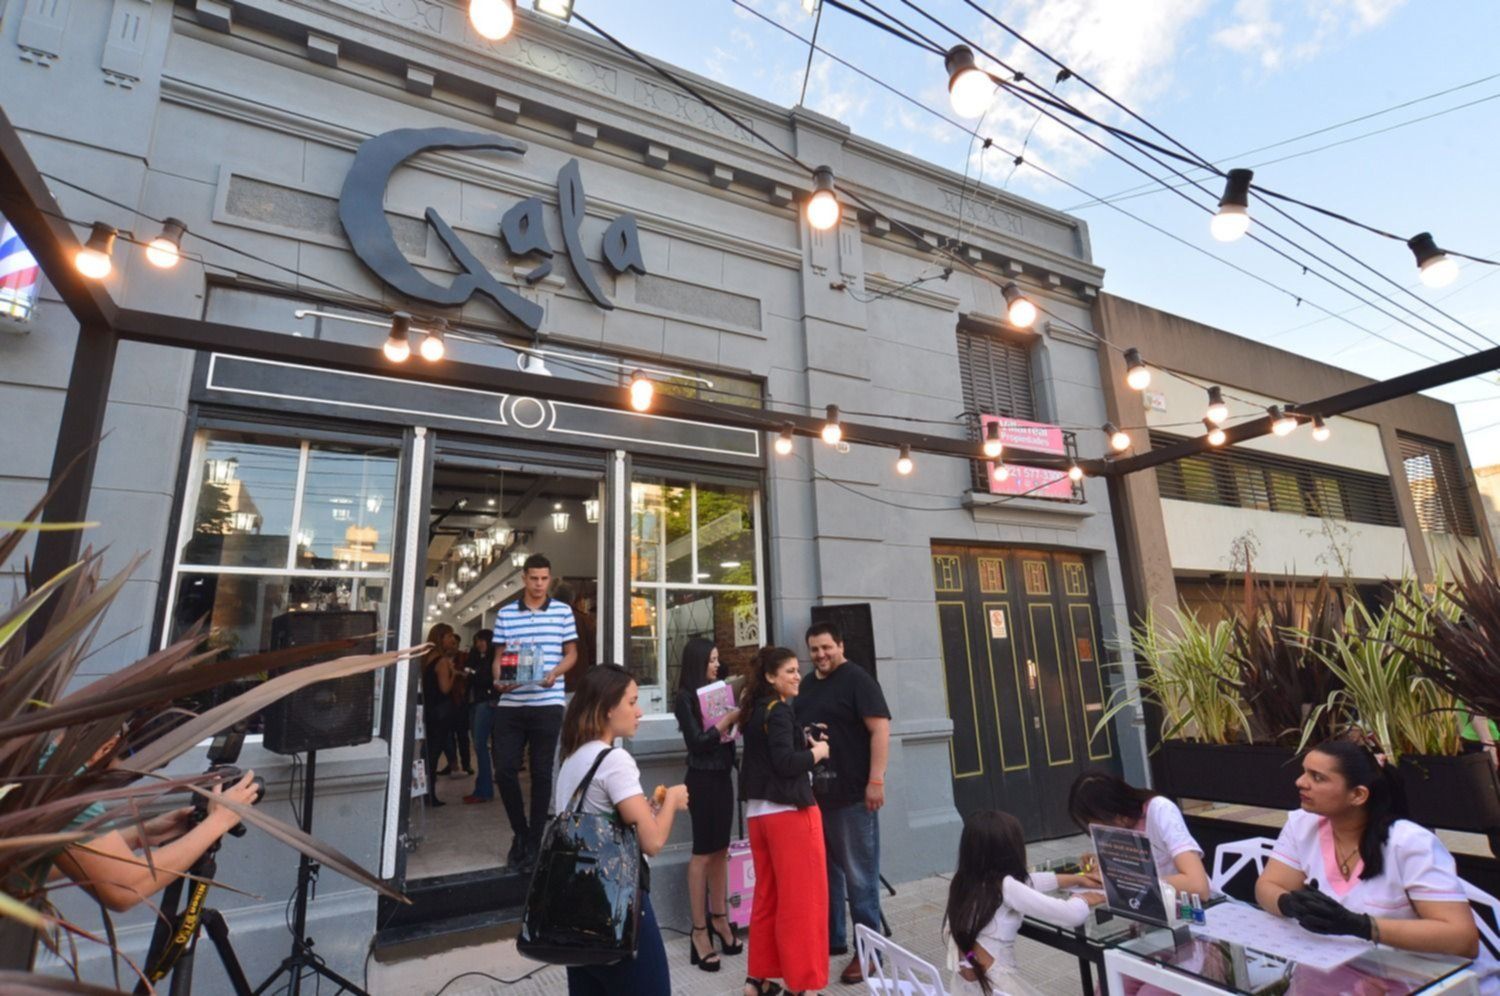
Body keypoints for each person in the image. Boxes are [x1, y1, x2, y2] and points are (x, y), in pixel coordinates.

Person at [1256, 739, 1494, 990]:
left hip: (1435, 981)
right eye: (1304, 772)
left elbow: (1462, 939)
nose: (1300, 782)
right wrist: (1289, 904)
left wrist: (1362, 926)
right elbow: (1268, 885)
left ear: (1358, 795)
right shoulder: (1303, 824)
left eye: (1317, 777)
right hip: (1348, 971)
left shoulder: (1409, 843)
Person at [552, 663, 688, 996]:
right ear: (607, 708)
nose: (639, 712)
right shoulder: (614, 760)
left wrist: (646, 811)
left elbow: (596, 820)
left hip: (577, 907)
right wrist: (672, 800)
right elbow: (652, 842)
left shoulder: (572, 759)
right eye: (632, 702)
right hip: (619, 905)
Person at [797, 620, 891, 985]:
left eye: (827, 647)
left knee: (860, 877)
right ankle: (834, 938)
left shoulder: (858, 680)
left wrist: (876, 780)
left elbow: (880, 729)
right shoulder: (807, 685)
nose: (821, 654)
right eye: (814, 649)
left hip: (853, 795)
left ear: (840, 645)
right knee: (826, 874)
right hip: (817, 796)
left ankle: (870, 952)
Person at [739, 645, 830, 996]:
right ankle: (802, 983)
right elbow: (786, 763)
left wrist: (801, 738)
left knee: (768, 897)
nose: (797, 676)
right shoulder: (778, 711)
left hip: (758, 816)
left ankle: (759, 978)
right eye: (789, 670)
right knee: (803, 901)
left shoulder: (755, 710)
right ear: (770, 676)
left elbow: (769, 754)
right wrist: (817, 752)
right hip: (790, 815)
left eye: (796, 669)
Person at [943, 810, 1105, 996]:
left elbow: (1027, 881)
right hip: (998, 985)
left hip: (967, 985)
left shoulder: (964, 881)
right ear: (1010, 851)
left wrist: (1078, 879)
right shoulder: (1006, 887)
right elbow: (1071, 916)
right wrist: (1084, 899)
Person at [492, 553, 579, 869]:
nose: (539, 584)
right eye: (534, 578)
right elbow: (499, 657)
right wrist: (498, 680)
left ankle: (533, 841)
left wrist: (555, 672)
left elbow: (571, 654)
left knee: (542, 773)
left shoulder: (562, 612)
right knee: (504, 770)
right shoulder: (505, 614)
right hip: (511, 703)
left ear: (549, 578)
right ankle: (521, 832)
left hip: (548, 702)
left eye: (544, 579)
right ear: (524, 578)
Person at [673, 637, 743, 972]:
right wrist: (725, 722)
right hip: (701, 779)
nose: (717, 665)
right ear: (698, 662)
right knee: (702, 852)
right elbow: (697, 743)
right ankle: (699, 931)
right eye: (712, 660)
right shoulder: (684, 698)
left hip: (722, 776)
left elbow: (727, 738)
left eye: (717, 660)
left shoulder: (718, 691)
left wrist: (735, 721)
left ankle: (720, 917)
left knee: (721, 849)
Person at [1068, 769, 1210, 899]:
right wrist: (1104, 868)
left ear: (1117, 815)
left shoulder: (1160, 810)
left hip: (1194, 907)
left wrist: (1129, 883)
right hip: (1152, 907)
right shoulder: (1118, 831)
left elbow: (1198, 886)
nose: (1098, 836)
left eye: (1097, 827)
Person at [421, 623, 460, 808]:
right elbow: (445, 689)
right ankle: (430, 795)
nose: (452, 640)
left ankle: (425, 791)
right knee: (434, 754)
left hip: (429, 710)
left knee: (428, 752)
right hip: (441, 712)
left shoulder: (426, 659)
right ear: (441, 638)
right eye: (449, 636)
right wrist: (454, 674)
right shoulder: (442, 661)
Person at [463, 630, 499, 804]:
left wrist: (472, 674)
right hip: (476, 702)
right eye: (477, 641)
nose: (478, 644)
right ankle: (484, 788)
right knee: (479, 745)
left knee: (480, 745)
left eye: (482, 641)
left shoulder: (492, 660)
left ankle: (484, 789)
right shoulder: (479, 658)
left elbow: (484, 679)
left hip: (485, 703)